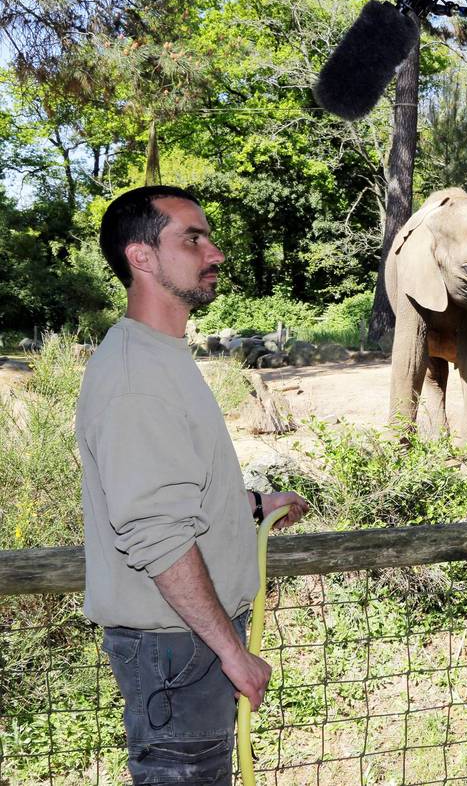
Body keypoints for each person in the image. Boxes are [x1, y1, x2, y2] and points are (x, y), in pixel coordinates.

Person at [79, 185, 311, 784]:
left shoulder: (160, 353)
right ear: (142, 257)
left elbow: (173, 489)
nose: (215, 252)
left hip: (185, 643)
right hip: (178, 651)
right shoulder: (137, 378)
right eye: (192, 237)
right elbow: (156, 533)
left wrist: (250, 507)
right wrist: (232, 653)